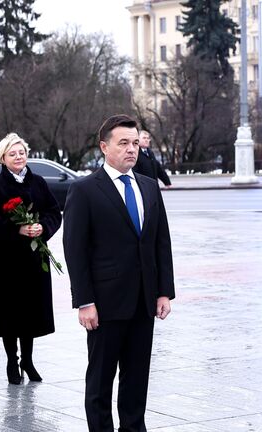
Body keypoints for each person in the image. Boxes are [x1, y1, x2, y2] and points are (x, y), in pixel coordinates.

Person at [63, 114, 175, 431]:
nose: (131, 149)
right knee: (100, 381)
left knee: (136, 378)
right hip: (104, 303)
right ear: (104, 147)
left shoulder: (149, 187)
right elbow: (75, 250)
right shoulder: (84, 190)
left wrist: (164, 291)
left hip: (143, 301)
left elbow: (160, 243)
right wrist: (84, 301)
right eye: (123, 143)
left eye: (135, 142)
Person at [0, 133, 61, 385]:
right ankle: (11, 361)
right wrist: (15, 229)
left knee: (31, 311)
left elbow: (53, 212)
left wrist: (42, 227)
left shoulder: (38, 182)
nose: (18, 157)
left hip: (34, 258)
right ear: (2, 158)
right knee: (9, 311)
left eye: (22, 152)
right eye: (12, 154)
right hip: (6, 260)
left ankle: (28, 359)